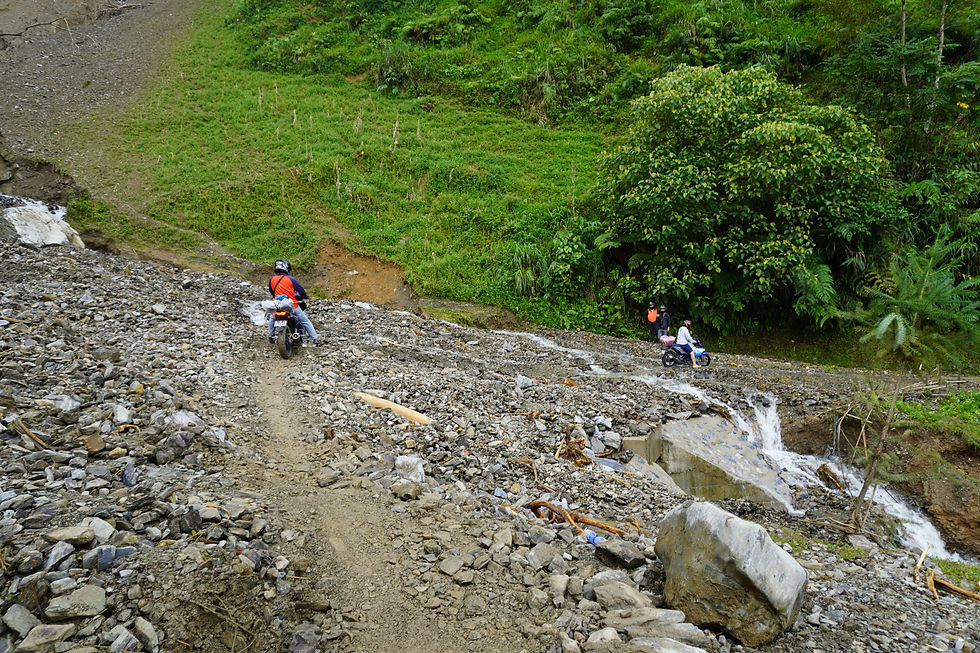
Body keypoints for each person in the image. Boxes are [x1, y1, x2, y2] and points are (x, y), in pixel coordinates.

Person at [267, 259, 319, 345]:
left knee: (273, 317)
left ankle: (270, 334)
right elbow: (301, 290)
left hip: (278, 305)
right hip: (292, 305)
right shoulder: (291, 279)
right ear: (286, 268)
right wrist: (304, 297)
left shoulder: (271, 279)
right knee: (305, 321)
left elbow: (272, 291)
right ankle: (315, 338)